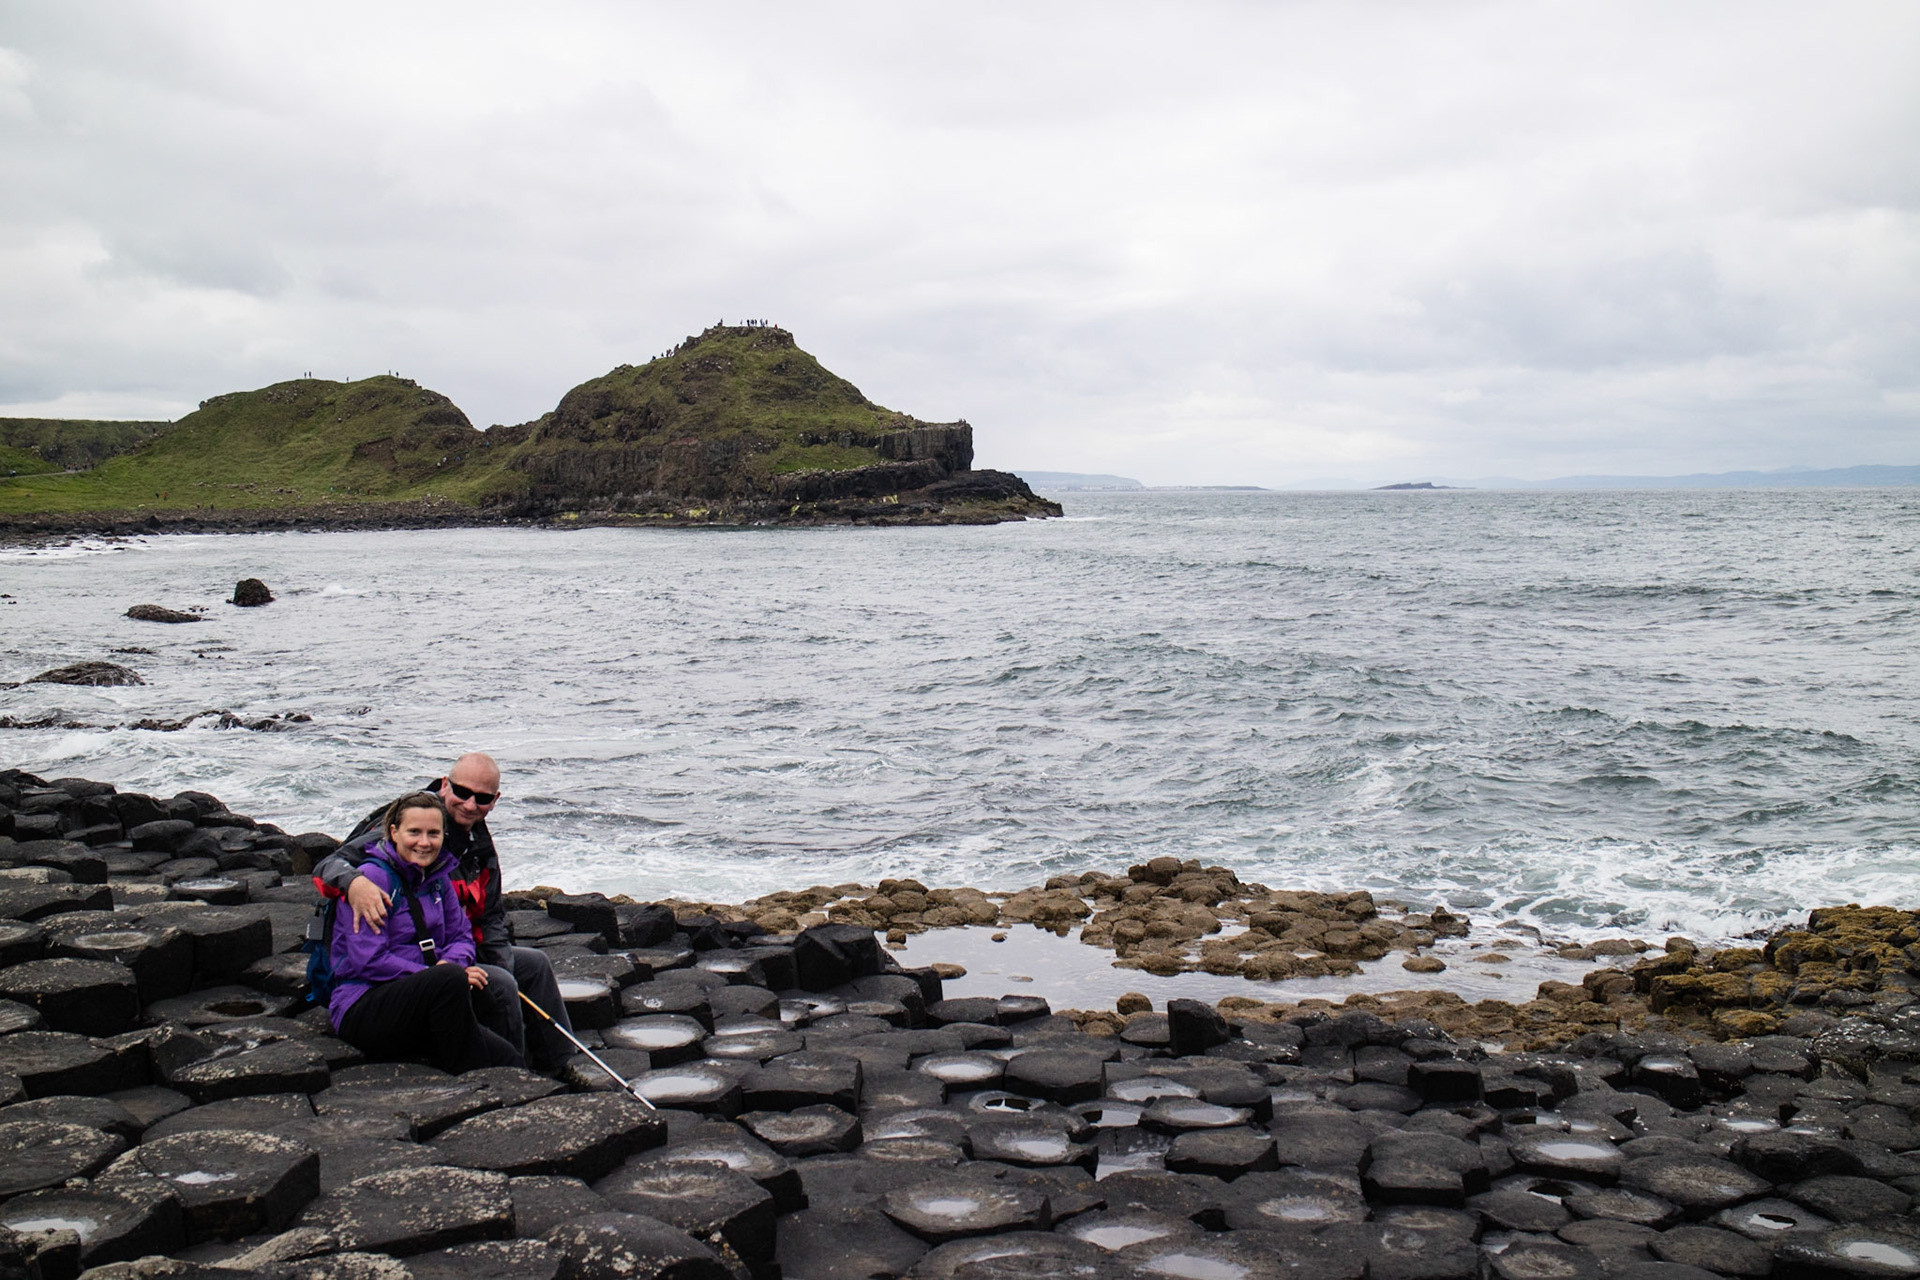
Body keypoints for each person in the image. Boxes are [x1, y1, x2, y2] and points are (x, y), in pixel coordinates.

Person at [314, 753, 574, 1070]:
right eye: (462, 792)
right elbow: (330, 865)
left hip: (442, 955)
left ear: (494, 800)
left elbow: (487, 917)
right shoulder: (403, 831)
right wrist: (354, 883)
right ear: (445, 785)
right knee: (499, 984)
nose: (469, 804)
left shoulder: (462, 853)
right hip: (385, 985)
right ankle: (513, 1073)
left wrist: (485, 961)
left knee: (533, 965)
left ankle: (560, 1063)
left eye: (482, 798)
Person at [327, 792, 523, 1072]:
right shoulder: (372, 880)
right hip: (363, 1006)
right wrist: (437, 976)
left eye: (433, 833)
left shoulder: (439, 877)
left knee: (507, 1058)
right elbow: (368, 960)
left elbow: (461, 937)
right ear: (394, 832)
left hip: (427, 996)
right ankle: (470, 1080)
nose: (424, 842)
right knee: (453, 985)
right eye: (414, 832)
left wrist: (449, 965)